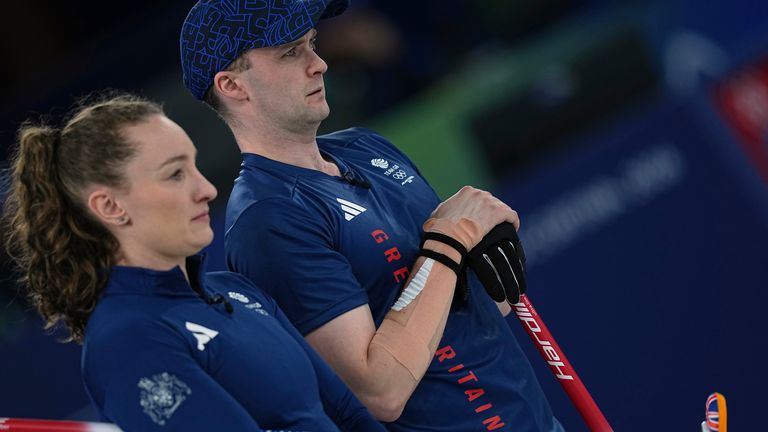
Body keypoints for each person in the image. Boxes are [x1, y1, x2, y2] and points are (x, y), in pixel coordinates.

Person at [180, 1, 564, 430]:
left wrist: (485, 254)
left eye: (312, 44)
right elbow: (379, 392)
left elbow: (460, 315)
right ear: (233, 86)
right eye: (291, 52)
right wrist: (452, 241)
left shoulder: (366, 146)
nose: (319, 64)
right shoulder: (268, 219)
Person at [2, 92, 386, 432]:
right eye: (175, 175)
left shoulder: (236, 289)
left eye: (195, 167)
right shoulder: (127, 342)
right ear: (110, 206)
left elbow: (351, 416)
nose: (206, 189)